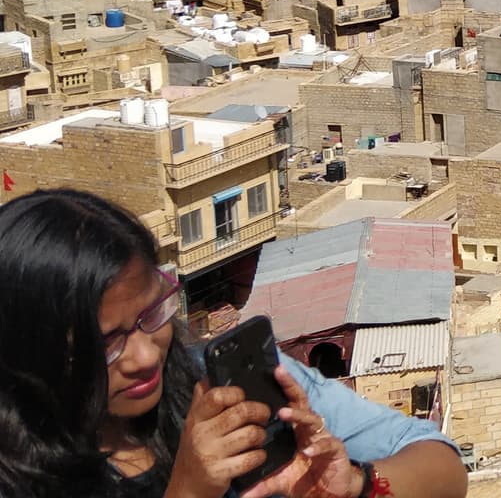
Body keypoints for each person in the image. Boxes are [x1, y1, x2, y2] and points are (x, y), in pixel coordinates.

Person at [0, 188, 469, 498]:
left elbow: (443, 467)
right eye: (105, 344)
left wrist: (356, 483)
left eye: (150, 315)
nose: (145, 357)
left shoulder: (230, 386)